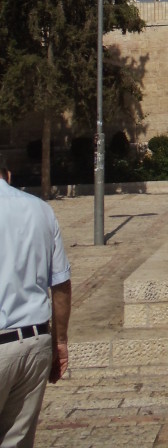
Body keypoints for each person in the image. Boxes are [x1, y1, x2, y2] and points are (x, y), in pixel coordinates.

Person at [0, 154, 71, 447]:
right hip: (35, 343)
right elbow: (61, 283)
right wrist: (60, 341)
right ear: (9, 175)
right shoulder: (41, 210)